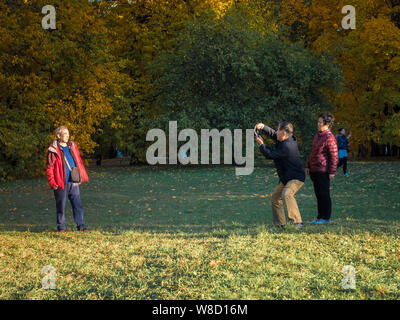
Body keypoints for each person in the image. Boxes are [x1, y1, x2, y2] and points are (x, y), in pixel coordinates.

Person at [254, 121, 306, 228]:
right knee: (275, 198)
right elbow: (273, 134)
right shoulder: (285, 138)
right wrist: (263, 127)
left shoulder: (287, 146)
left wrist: (262, 145)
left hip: (296, 178)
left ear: (284, 134)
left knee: (287, 193)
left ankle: (297, 222)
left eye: (278, 130)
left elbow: (270, 155)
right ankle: (280, 225)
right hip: (287, 178)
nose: (276, 132)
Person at [46, 126, 89, 232]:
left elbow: (78, 161)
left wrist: (80, 177)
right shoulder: (53, 149)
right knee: (61, 206)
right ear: (58, 135)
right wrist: (52, 182)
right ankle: (61, 227)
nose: (67, 135)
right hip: (61, 182)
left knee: (77, 205)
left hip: (73, 182)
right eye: (65, 133)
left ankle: (81, 226)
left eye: (68, 133)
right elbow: (49, 167)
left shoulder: (72, 146)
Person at [306, 112, 338, 225]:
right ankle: (320, 217)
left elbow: (334, 155)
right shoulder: (318, 135)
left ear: (327, 124)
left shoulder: (329, 137)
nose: (318, 124)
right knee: (319, 194)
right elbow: (313, 152)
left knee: (324, 194)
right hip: (315, 170)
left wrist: (332, 171)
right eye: (318, 122)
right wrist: (308, 165)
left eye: (320, 122)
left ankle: (326, 217)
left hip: (323, 171)